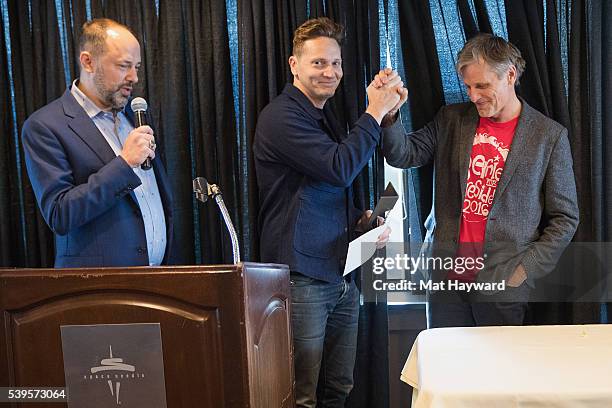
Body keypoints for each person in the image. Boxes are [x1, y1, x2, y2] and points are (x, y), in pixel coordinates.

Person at [379, 33, 579, 327]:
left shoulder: (548, 136)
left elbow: (565, 218)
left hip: (504, 287)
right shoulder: (451, 119)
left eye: (482, 85)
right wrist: (390, 115)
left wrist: (523, 272)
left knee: (499, 373)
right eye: (469, 86)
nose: (473, 96)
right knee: (446, 371)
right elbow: (403, 155)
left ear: (510, 74)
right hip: (447, 281)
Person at [254, 17, 402, 408]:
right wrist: (374, 111)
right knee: (301, 395)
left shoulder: (322, 115)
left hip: (339, 274)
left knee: (338, 389)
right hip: (302, 277)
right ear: (293, 65)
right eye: (319, 63)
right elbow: (338, 167)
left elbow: (320, 188)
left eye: (335, 64)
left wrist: (359, 221)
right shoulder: (281, 117)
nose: (330, 72)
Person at [22, 18, 173, 268]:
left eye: (136, 66)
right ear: (88, 62)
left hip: (158, 281)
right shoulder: (45, 126)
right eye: (124, 66)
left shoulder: (134, 117)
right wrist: (124, 164)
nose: (134, 77)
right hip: (97, 291)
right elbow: (60, 214)